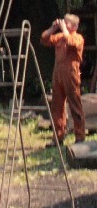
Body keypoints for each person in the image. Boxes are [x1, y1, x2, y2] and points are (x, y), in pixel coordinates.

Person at [40, 13, 86, 146]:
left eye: (68, 23)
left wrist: (64, 30)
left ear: (75, 26)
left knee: (75, 105)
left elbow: (71, 43)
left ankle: (80, 136)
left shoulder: (78, 38)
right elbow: (44, 39)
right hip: (58, 74)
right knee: (57, 107)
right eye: (64, 22)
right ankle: (58, 136)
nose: (64, 25)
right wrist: (53, 28)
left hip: (71, 74)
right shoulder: (60, 36)